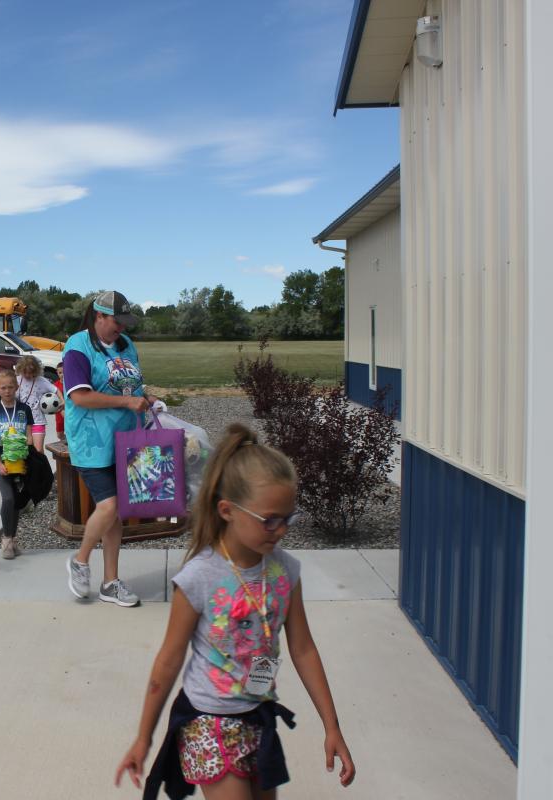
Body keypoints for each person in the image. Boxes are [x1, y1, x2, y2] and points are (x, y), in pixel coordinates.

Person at [114, 424, 356, 799]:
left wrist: (332, 726)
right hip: (207, 720)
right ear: (227, 510)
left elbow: (303, 648)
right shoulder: (199, 577)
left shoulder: (285, 571)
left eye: (288, 519)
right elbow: (169, 660)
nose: (280, 530)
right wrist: (144, 737)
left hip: (259, 715)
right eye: (269, 519)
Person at [62, 290, 161, 607]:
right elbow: (79, 397)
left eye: (125, 322)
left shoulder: (126, 344)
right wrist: (126, 402)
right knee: (109, 507)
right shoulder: (78, 346)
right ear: (99, 316)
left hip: (126, 439)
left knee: (114, 513)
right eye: (117, 321)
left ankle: (110, 583)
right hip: (91, 442)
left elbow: (133, 387)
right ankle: (80, 560)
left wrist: (147, 400)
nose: (122, 327)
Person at [0, 370, 43, 559]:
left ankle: (13, 539)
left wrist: (28, 459)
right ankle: (6, 539)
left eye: (11, 387)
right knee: (8, 499)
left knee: (17, 501)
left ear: (16, 387)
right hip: (1, 463)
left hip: (21, 463)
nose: (7, 391)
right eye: (3, 388)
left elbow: (29, 436)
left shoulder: (24, 409)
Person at [14, 355, 59, 451]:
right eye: (25, 372)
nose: (27, 375)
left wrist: (62, 401)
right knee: (24, 451)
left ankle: (41, 461)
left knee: (38, 451)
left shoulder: (41, 381)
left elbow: (56, 390)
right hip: (21, 422)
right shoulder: (16, 380)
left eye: (30, 372)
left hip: (37, 421)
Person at [53, 362, 66, 442]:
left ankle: (70, 443)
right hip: (59, 412)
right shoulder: (55, 385)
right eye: (60, 373)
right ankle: (65, 439)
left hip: (69, 411)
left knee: (70, 430)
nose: (62, 375)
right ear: (57, 373)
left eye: (64, 372)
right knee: (59, 434)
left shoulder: (70, 384)